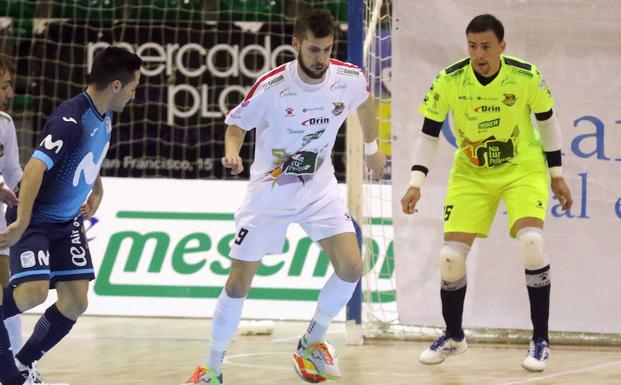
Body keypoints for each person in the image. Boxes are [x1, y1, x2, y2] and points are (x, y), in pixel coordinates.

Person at [182, 9, 386, 385]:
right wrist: (232, 152)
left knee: (352, 267)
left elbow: (365, 102)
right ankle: (211, 367)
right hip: (269, 193)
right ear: (295, 45)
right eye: (313, 50)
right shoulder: (273, 86)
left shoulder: (348, 78)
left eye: (327, 49)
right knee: (239, 283)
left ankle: (311, 342)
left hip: (319, 188)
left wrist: (373, 147)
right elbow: (236, 123)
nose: (321, 59)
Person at [400, 14, 572, 372]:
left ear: (502, 46)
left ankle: (540, 340)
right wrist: (416, 181)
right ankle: (454, 336)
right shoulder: (449, 80)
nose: (479, 53)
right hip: (471, 173)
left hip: (521, 168)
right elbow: (429, 132)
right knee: (449, 258)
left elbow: (548, 122)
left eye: (487, 46)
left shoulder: (525, 76)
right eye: (473, 46)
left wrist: (556, 174)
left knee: (531, 244)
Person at [0, 46, 142, 385]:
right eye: (135, 87)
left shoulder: (105, 115)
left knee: (75, 301)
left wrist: (96, 189)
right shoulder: (71, 117)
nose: (136, 96)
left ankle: (23, 364)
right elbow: (34, 168)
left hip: (67, 221)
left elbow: (89, 156)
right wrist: (21, 221)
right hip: (36, 218)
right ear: (117, 86)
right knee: (33, 292)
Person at [0, 55, 25, 361]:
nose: (9, 93)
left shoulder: (5, 124)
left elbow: (14, 173)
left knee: (7, 286)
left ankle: (18, 368)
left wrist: (40, 194)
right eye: (4, 86)